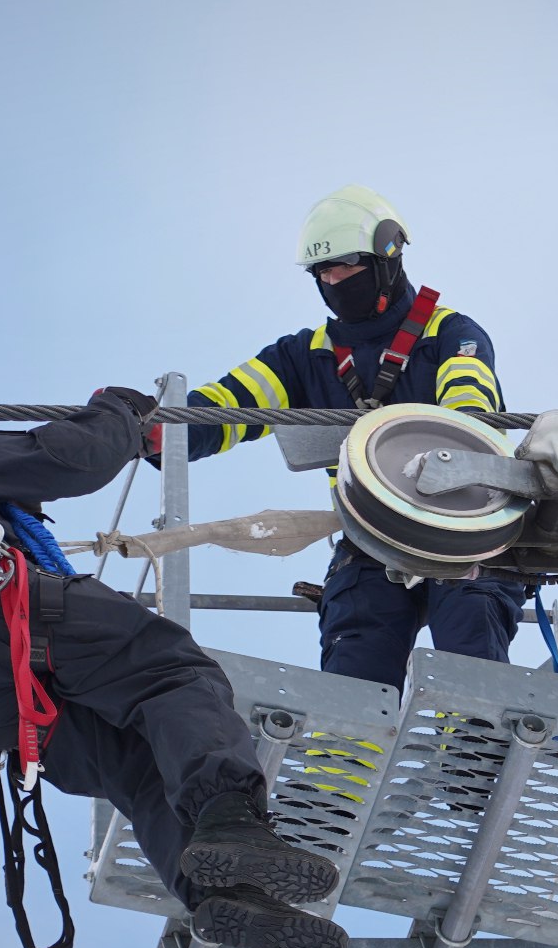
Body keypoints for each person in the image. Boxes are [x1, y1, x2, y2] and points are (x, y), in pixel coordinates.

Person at [0, 391, 349, 948]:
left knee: (142, 772)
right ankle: (230, 817)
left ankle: (221, 898)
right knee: (169, 675)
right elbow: (68, 457)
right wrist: (118, 416)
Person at [177, 184, 524, 687]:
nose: (333, 280)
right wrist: (150, 428)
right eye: (322, 272)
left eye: (346, 267)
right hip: (372, 540)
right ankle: (343, 763)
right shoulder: (305, 356)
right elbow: (224, 408)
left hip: (466, 531)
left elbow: (469, 417)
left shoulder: (451, 335)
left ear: (387, 260)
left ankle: (474, 752)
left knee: (470, 640)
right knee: (355, 662)